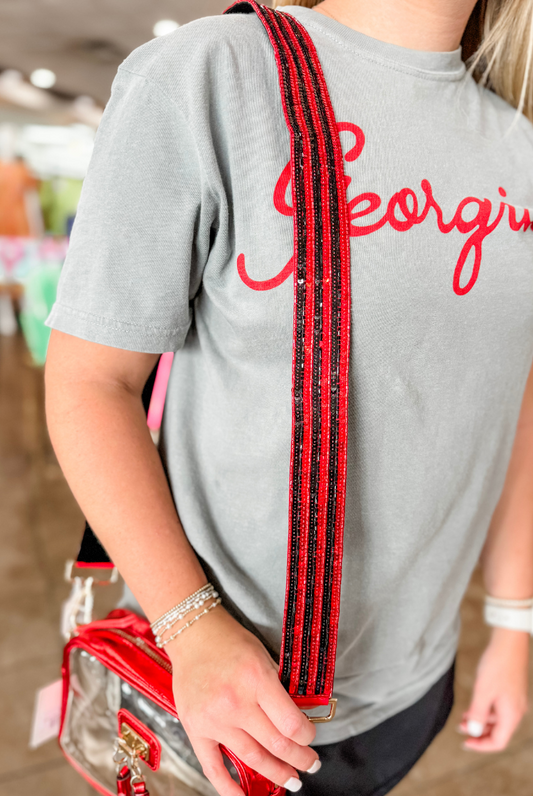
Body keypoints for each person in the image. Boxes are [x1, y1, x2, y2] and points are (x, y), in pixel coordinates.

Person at [44, 0, 533, 794]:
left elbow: (512, 416)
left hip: (414, 692)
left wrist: (513, 625)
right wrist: (190, 625)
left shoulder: (520, 148)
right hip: (219, 703)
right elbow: (93, 381)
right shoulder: (217, 75)